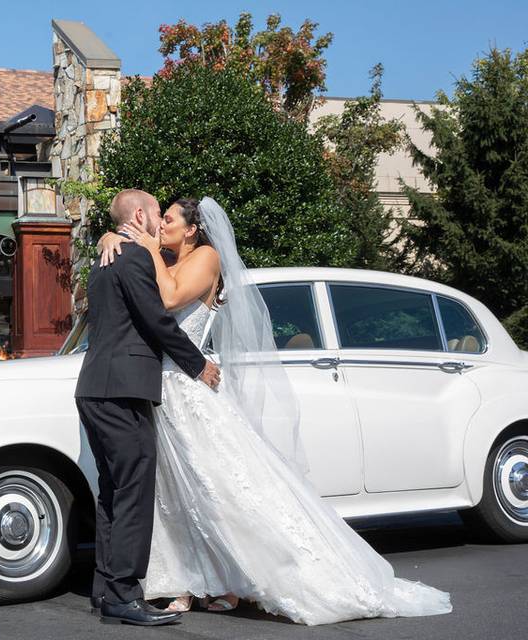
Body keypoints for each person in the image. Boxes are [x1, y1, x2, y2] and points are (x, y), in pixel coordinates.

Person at [96, 196, 452, 625]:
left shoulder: (205, 258)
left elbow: (166, 303)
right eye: (160, 218)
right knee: (176, 494)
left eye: (169, 219)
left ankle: (248, 575)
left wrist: (147, 248)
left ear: (192, 228)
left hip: (188, 387)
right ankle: (192, 581)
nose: (161, 225)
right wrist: (109, 235)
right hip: (161, 389)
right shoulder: (160, 258)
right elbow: (140, 287)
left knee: (223, 488)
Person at [74, 189, 222, 627]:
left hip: (95, 387)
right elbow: (157, 319)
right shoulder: (135, 257)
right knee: (134, 492)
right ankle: (124, 595)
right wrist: (198, 365)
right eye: (158, 213)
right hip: (123, 389)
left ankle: (106, 589)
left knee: (113, 492)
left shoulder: (104, 258)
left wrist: (107, 235)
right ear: (140, 215)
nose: (160, 222)